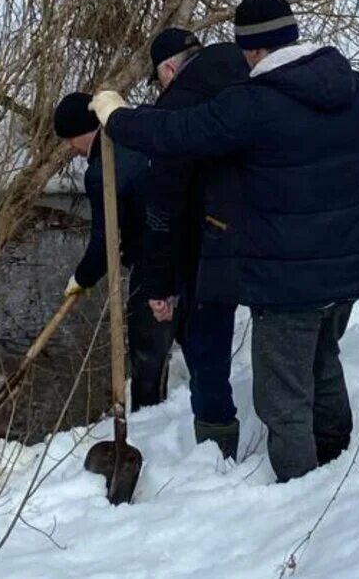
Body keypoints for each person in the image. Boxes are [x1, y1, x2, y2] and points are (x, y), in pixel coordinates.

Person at [91, 0, 359, 482]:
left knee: (281, 391)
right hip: (351, 262)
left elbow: (178, 133)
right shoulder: (355, 87)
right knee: (322, 359)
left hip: (288, 273)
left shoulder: (254, 104)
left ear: (250, 51)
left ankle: (300, 492)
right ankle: (335, 468)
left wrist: (116, 116)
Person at [141, 27, 250, 458]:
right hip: (276, 238)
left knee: (207, 352)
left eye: (159, 78)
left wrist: (158, 283)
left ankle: (217, 451)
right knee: (290, 343)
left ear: (169, 68)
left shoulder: (177, 110)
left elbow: (163, 209)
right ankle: (312, 448)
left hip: (207, 245)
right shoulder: (253, 80)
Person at [54, 92, 171, 412]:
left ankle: (148, 418)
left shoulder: (101, 171)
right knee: (171, 341)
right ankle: (167, 408)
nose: (70, 148)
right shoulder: (137, 135)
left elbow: (102, 241)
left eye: (69, 139)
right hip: (180, 250)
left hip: (153, 264)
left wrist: (82, 278)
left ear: (84, 131)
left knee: (146, 349)